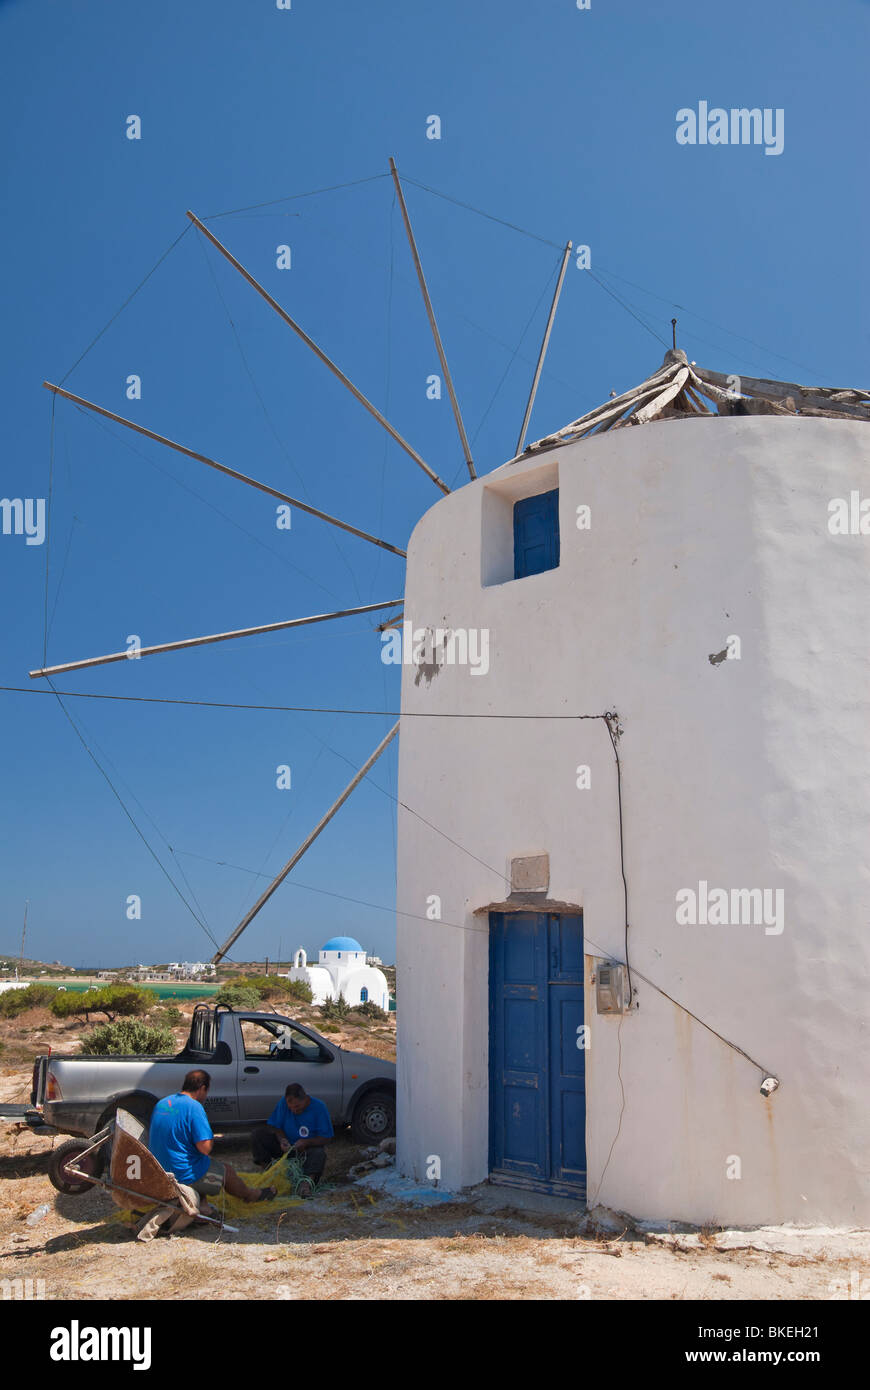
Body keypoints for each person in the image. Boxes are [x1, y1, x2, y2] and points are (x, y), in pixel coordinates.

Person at [148, 1069, 275, 1206]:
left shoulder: (162, 1103)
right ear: (202, 1088)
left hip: (158, 1174)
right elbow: (205, 1148)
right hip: (182, 1177)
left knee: (202, 1162)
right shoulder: (194, 1107)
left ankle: (203, 1205)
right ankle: (251, 1195)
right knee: (226, 1171)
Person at [251, 1082, 333, 1186]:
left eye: (297, 1106)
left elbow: (326, 1138)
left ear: (305, 1099)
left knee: (319, 1153)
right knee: (258, 1135)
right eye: (290, 1108)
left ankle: (306, 1184)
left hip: (305, 1151)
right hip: (287, 1148)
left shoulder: (319, 1107)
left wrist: (306, 1142)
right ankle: (270, 1174)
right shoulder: (283, 1103)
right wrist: (282, 1140)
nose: (293, 1110)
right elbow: (276, 1127)